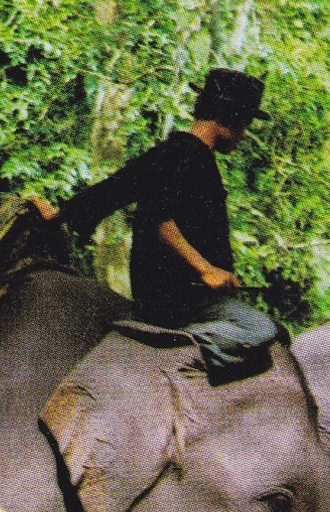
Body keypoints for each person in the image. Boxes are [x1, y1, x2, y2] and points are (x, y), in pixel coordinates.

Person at [30, 68, 279, 372]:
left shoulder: (169, 151)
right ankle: (171, 351)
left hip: (159, 295)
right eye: (244, 125)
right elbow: (160, 220)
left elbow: (114, 188)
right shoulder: (192, 155)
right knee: (263, 330)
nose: (242, 136)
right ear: (230, 118)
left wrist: (60, 214)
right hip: (180, 303)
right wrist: (206, 270)